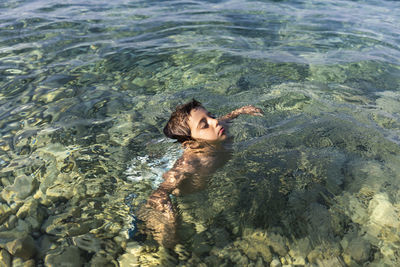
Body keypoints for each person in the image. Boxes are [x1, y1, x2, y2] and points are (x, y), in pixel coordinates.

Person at [137, 99, 263, 248]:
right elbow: (159, 194)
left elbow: (225, 118)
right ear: (191, 143)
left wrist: (240, 111)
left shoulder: (217, 130)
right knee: (162, 240)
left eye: (212, 115)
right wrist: (171, 221)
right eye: (204, 125)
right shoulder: (190, 164)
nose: (215, 121)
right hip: (176, 188)